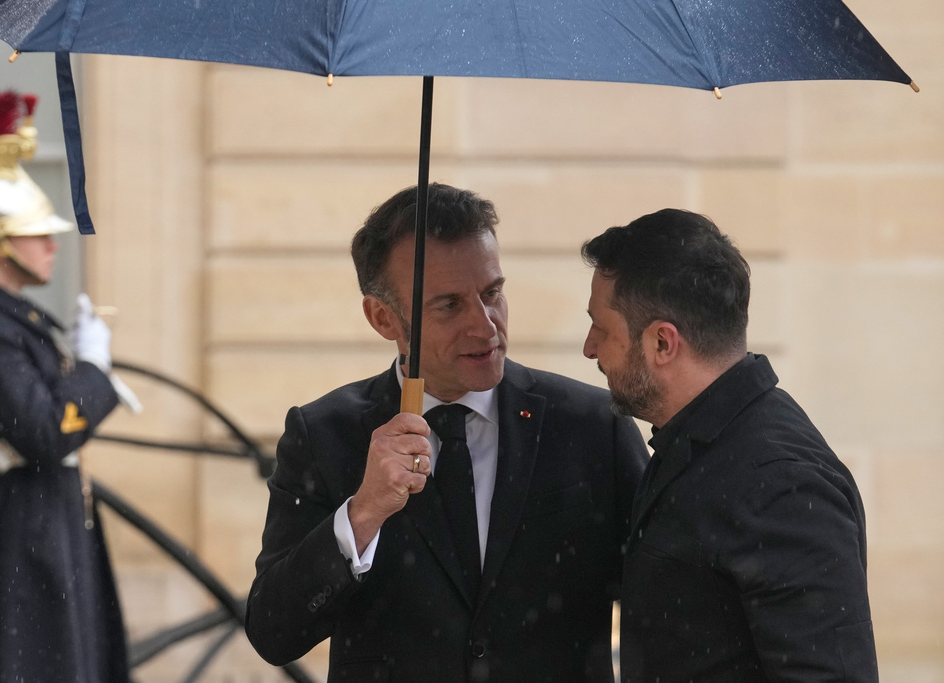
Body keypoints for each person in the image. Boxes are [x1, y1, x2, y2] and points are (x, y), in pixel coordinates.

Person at [245, 183, 649, 682]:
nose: (485, 327)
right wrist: (364, 512)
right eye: (448, 306)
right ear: (382, 317)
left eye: (492, 293)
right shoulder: (324, 434)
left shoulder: (591, 425)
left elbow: (667, 602)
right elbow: (273, 632)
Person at [581, 208, 877, 682]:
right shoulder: (699, 439)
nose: (589, 347)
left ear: (662, 343)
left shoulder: (780, 482)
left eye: (602, 327)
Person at [0, 90, 132, 682]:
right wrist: (97, 373)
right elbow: (47, 431)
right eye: (36, 234)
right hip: (11, 528)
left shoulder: (13, 317)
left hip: (40, 519)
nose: (53, 245)